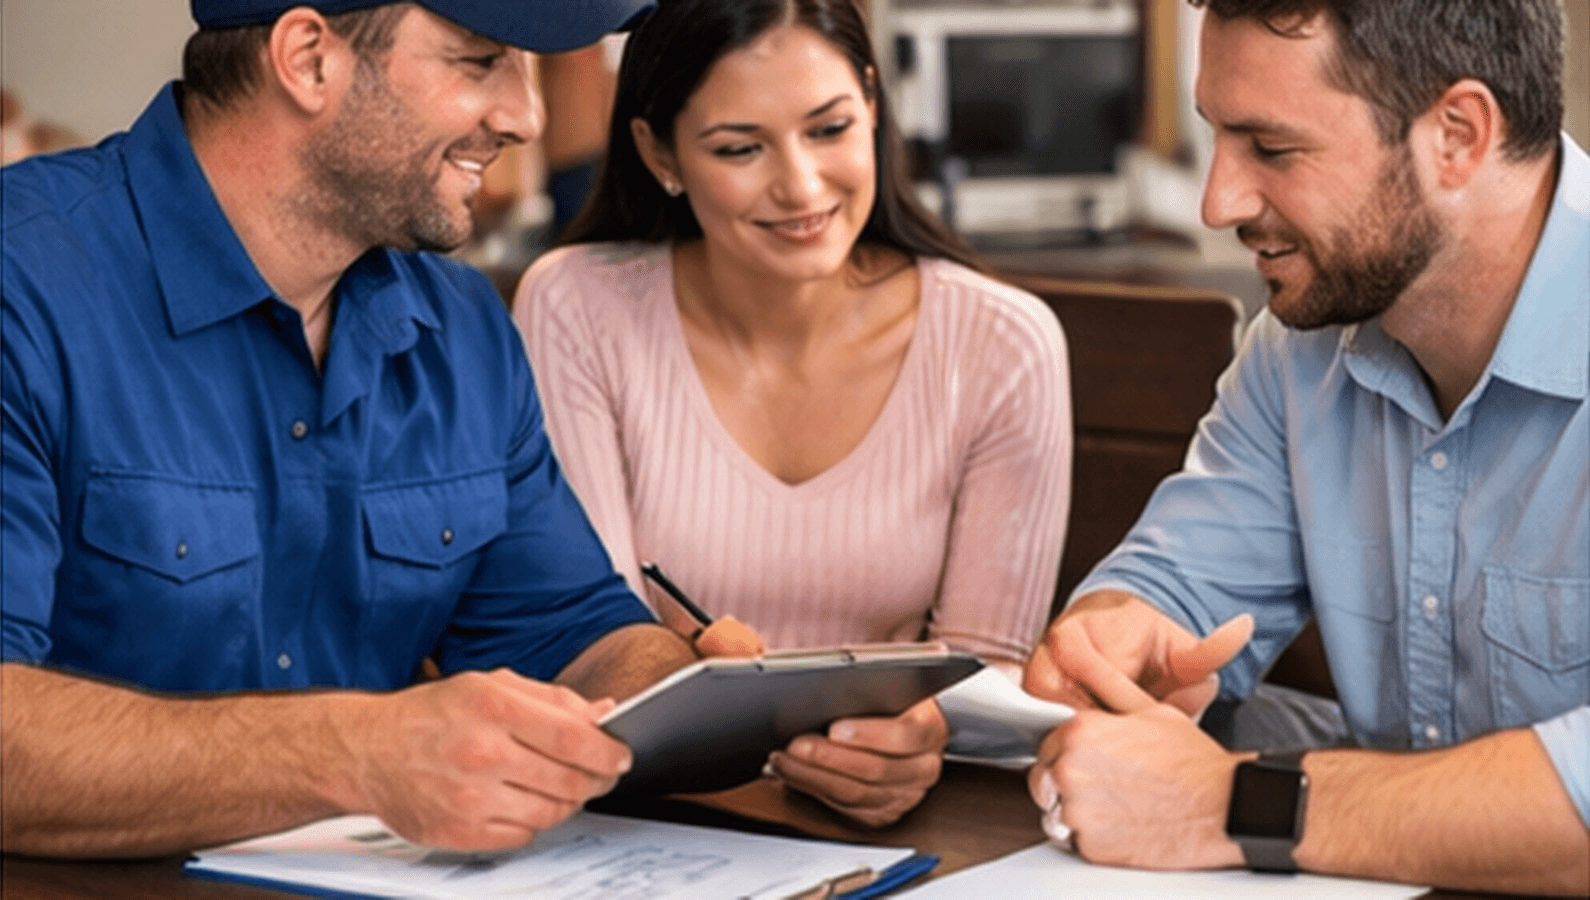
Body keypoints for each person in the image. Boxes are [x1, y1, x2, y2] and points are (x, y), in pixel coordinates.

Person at [0, 0, 701, 860]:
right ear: (308, 58)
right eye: (481, 60)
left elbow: (575, 638)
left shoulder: (464, 329)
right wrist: (358, 753)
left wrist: (741, 709)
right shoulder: (22, 284)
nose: (525, 117)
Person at [1021, 0, 1588, 894]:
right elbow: (1174, 584)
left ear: (1456, 135)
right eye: (1216, 135)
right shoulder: (1301, 348)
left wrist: (1230, 805)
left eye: (1272, 149)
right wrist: (1115, 637)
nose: (1218, 202)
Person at [512, 0, 1071, 827]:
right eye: (740, 148)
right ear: (659, 153)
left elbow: (988, 670)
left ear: (872, 104)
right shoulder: (575, 307)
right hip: (654, 819)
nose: (802, 187)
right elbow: (590, 642)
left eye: (830, 128)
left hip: (907, 826)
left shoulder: (1003, 342)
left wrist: (923, 734)